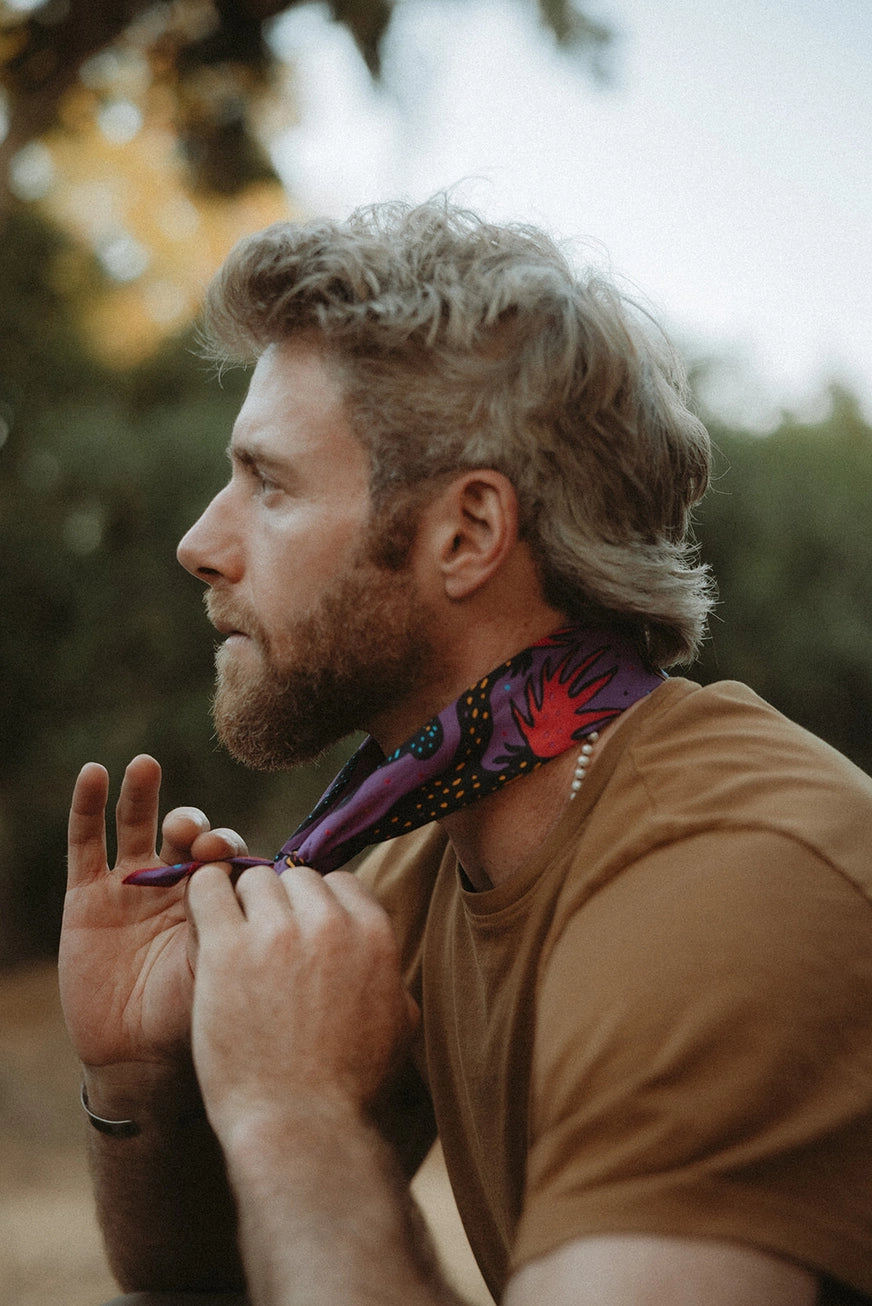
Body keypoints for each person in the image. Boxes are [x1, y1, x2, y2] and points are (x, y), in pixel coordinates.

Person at [59, 198, 872, 1306]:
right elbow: (202, 1276)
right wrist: (141, 1075)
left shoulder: (736, 879)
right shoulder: (437, 853)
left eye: (270, 483)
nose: (201, 543)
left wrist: (296, 1113)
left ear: (468, 534)